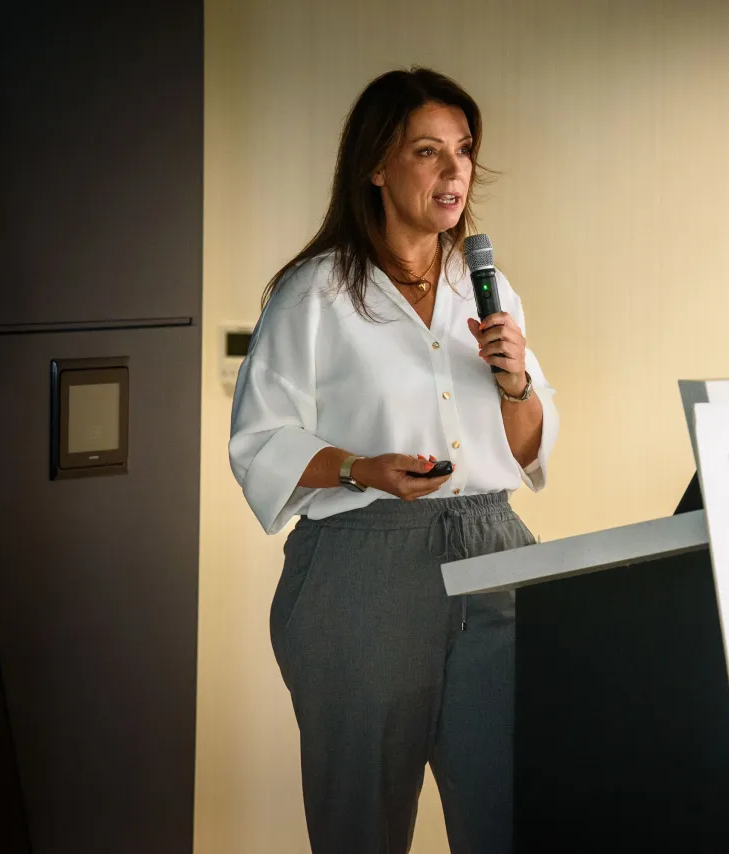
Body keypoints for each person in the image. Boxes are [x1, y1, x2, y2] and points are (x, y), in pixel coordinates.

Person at [227, 67, 557, 854]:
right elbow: (259, 441)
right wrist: (359, 468)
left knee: (518, 814)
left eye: (464, 150)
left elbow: (528, 449)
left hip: (494, 554)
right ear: (377, 166)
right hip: (362, 569)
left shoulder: (487, 288)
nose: (454, 172)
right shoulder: (314, 293)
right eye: (427, 151)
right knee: (362, 826)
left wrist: (515, 382)